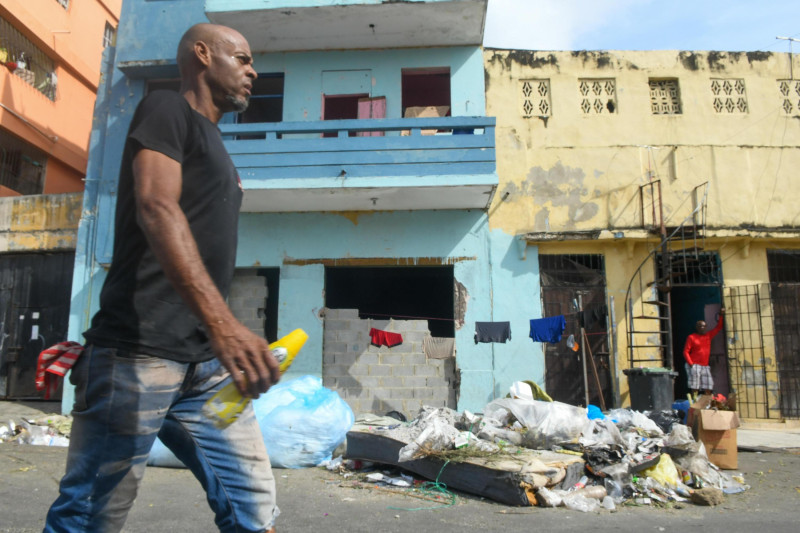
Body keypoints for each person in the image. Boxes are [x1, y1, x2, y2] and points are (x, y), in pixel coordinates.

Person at [44, 23, 281, 533]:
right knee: (90, 514)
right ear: (202, 54)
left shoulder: (215, 142)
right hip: (138, 356)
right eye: (241, 58)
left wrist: (220, 333)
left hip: (203, 367)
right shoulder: (167, 110)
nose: (252, 70)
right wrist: (226, 327)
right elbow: (155, 206)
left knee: (253, 508)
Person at [683, 308, 725, 398]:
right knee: (695, 387)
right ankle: (694, 402)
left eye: (704, 326)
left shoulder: (708, 336)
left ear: (706, 327)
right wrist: (691, 364)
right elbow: (686, 351)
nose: (702, 328)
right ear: (697, 327)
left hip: (705, 365)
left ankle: (707, 402)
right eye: (700, 326)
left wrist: (721, 315)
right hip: (695, 365)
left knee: (708, 386)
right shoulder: (691, 337)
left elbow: (719, 327)